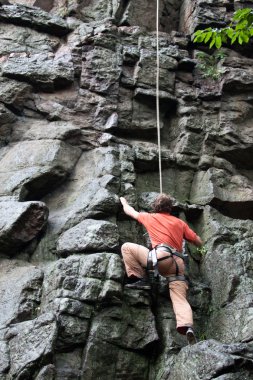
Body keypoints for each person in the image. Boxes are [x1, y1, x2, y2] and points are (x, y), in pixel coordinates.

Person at [120, 193, 203, 344]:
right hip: (178, 264)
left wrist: (123, 201)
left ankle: (139, 279)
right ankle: (187, 326)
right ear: (170, 208)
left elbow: (129, 211)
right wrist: (202, 249)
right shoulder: (179, 223)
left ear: (155, 207)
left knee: (126, 247)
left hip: (161, 258)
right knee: (180, 298)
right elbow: (198, 241)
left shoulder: (150, 217)